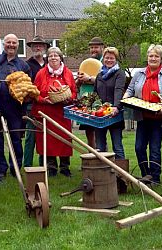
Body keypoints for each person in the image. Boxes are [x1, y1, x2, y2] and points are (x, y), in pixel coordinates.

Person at [123, 44, 162, 184]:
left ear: (160, 58)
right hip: (142, 117)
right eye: (151, 56)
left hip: (159, 118)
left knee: (154, 148)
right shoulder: (139, 74)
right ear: (147, 58)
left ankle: (155, 177)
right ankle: (146, 174)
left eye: (156, 56)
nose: (153, 58)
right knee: (139, 147)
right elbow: (130, 89)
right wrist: (126, 97)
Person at [0, 34, 32, 178]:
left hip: (15, 108)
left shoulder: (23, 65)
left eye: (14, 43)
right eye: (8, 42)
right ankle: (0, 170)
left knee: (16, 138)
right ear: (3, 44)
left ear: (17, 45)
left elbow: (28, 88)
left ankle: (15, 168)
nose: (11, 45)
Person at [31, 47, 77, 177]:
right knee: (47, 140)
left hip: (62, 113)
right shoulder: (41, 73)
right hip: (46, 112)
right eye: (50, 55)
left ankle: (64, 167)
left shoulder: (67, 73)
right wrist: (44, 100)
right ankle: (51, 167)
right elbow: (34, 93)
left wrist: (69, 98)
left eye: (56, 55)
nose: (53, 57)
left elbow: (74, 91)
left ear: (61, 58)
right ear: (47, 59)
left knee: (64, 139)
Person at [94, 46, 126, 160]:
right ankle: (103, 173)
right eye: (107, 58)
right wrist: (92, 107)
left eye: (112, 58)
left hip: (114, 115)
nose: (109, 60)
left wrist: (116, 107)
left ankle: (122, 174)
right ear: (103, 59)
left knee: (117, 146)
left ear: (116, 59)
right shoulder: (99, 75)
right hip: (100, 116)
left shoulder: (120, 74)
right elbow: (95, 93)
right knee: (100, 147)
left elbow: (119, 90)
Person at [23, 35, 50, 167]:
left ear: (45, 47)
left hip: (48, 105)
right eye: (35, 45)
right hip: (31, 106)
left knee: (44, 136)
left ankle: (43, 165)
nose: (38, 47)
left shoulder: (49, 64)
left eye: (40, 45)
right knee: (31, 137)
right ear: (32, 48)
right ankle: (27, 165)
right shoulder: (26, 65)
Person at [76, 37, 105, 148]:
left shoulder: (106, 61)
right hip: (85, 101)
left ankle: (102, 154)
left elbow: (105, 81)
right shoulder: (86, 63)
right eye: (92, 47)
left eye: (96, 47)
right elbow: (77, 84)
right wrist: (79, 80)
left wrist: (89, 79)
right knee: (88, 129)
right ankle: (91, 153)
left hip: (99, 100)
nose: (93, 50)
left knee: (99, 129)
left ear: (102, 48)